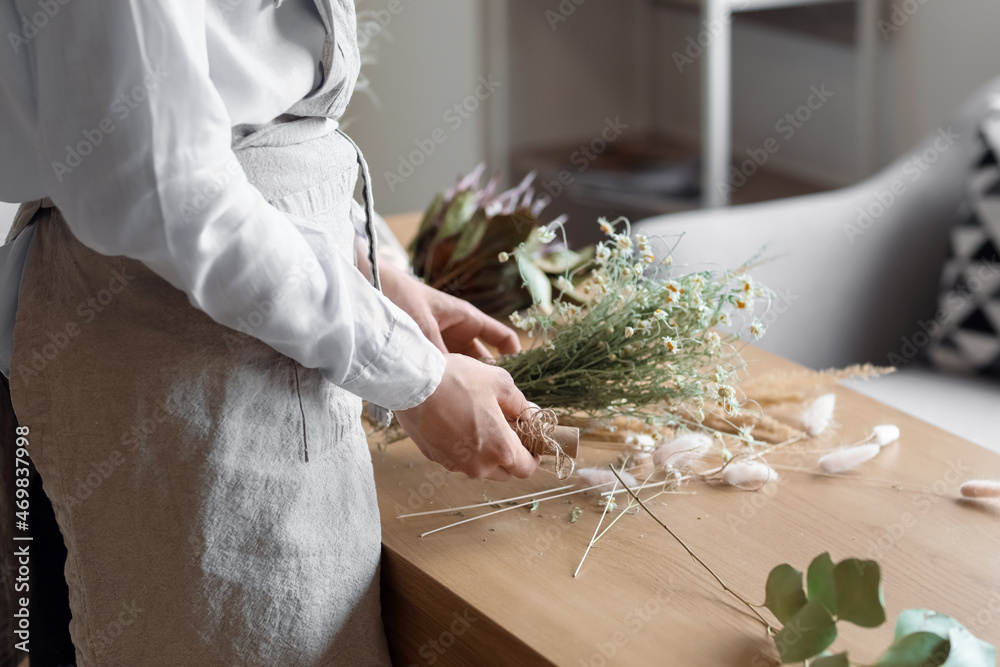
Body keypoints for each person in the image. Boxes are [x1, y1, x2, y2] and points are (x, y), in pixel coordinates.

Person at [0, 0, 539, 664]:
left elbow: (248, 122)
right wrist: (416, 379)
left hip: (223, 348)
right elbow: (160, 189)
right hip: (168, 365)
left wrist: (372, 271)